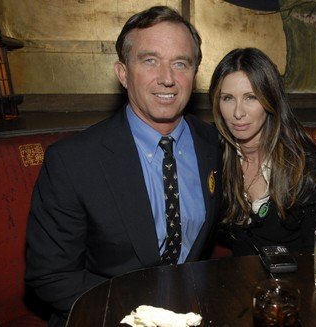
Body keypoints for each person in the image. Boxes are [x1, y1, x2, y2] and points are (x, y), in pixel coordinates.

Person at [25, 6, 222, 326]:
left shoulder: (212, 143)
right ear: (122, 72)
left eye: (180, 63)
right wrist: (145, 315)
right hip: (105, 315)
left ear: (194, 74)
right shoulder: (73, 161)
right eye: (149, 60)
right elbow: (51, 276)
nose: (168, 78)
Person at [209, 47, 316, 256]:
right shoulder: (211, 153)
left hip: (292, 280)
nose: (238, 113)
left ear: (270, 99)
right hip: (236, 279)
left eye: (251, 97)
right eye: (228, 98)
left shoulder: (306, 163)